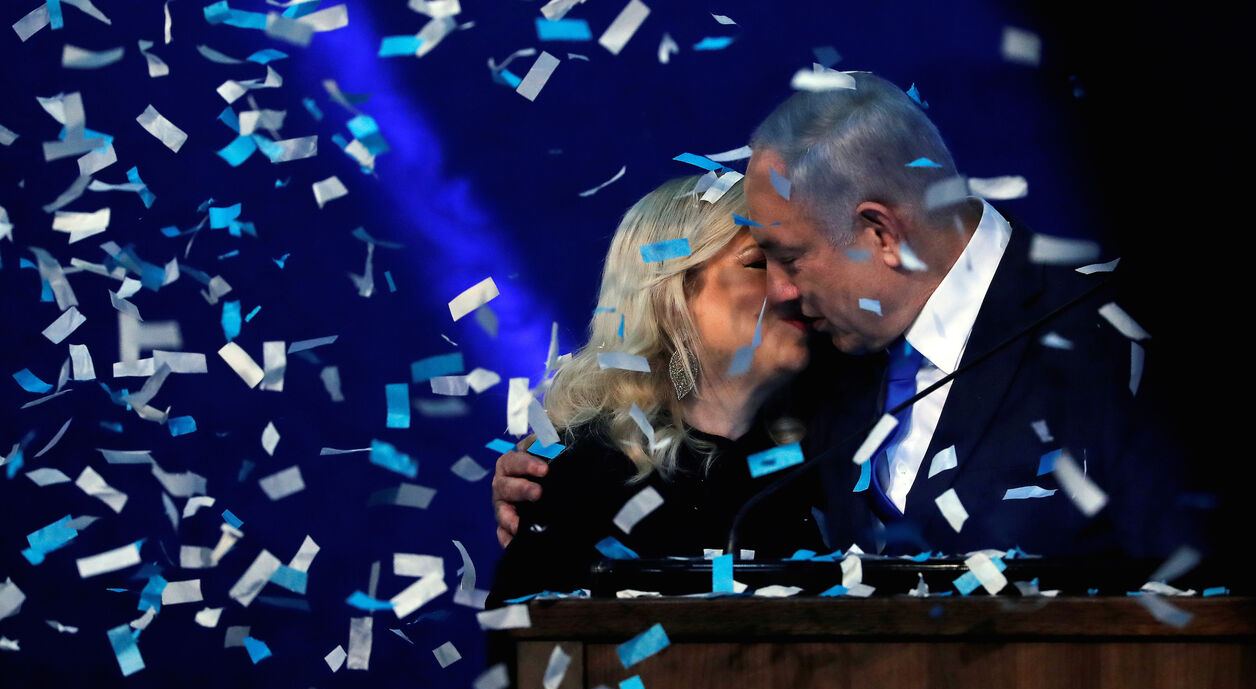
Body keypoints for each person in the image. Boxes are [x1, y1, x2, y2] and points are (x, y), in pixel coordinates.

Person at [495, 74, 1199, 562]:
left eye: (790, 258)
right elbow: (699, 458)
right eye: (759, 264)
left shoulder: (1118, 343)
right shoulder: (825, 372)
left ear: (881, 234)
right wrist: (552, 487)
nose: (784, 293)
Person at [488, 175, 822, 603]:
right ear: (672, 297)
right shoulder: (578, 473)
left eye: (793, 263)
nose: (792, 288)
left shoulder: (822, 459)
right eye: (758, 263)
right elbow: (526, 654)